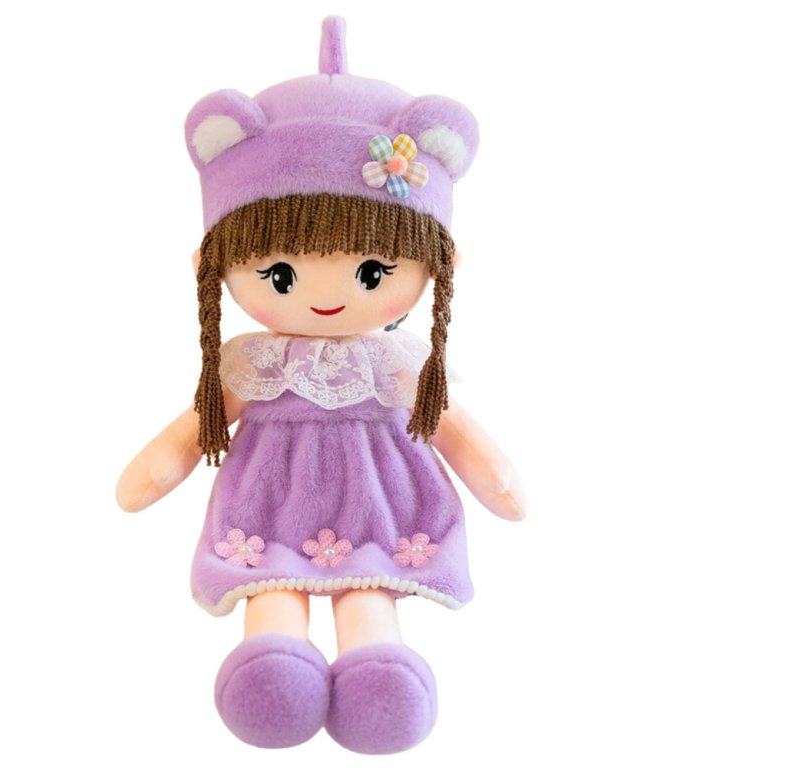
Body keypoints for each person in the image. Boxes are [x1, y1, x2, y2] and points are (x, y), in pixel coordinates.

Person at [115, 15, 525, 755]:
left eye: (374, 271)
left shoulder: (399, 363)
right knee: (274, 583)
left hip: (379, 506)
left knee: (368, 586)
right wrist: (157, 468)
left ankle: (378, 671)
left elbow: (453, 428)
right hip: (269, 505)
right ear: (216, 264)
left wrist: (497, 478)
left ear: (436, 264)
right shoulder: (250, 362)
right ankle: (273, 668)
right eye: (280, 273)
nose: (330, 296)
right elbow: (192, 431)